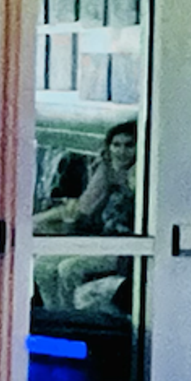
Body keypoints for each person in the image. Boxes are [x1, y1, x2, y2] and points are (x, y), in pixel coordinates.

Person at [33, 121, 137, 312]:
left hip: (126, 249)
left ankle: (78, 322)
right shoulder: (106, 170)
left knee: (69, 268)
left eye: (129, 145)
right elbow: (83, 208)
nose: (121, 151)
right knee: (43, 265)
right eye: (116, 145)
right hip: (102, 240)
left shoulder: (141, 177)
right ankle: (57, 318)